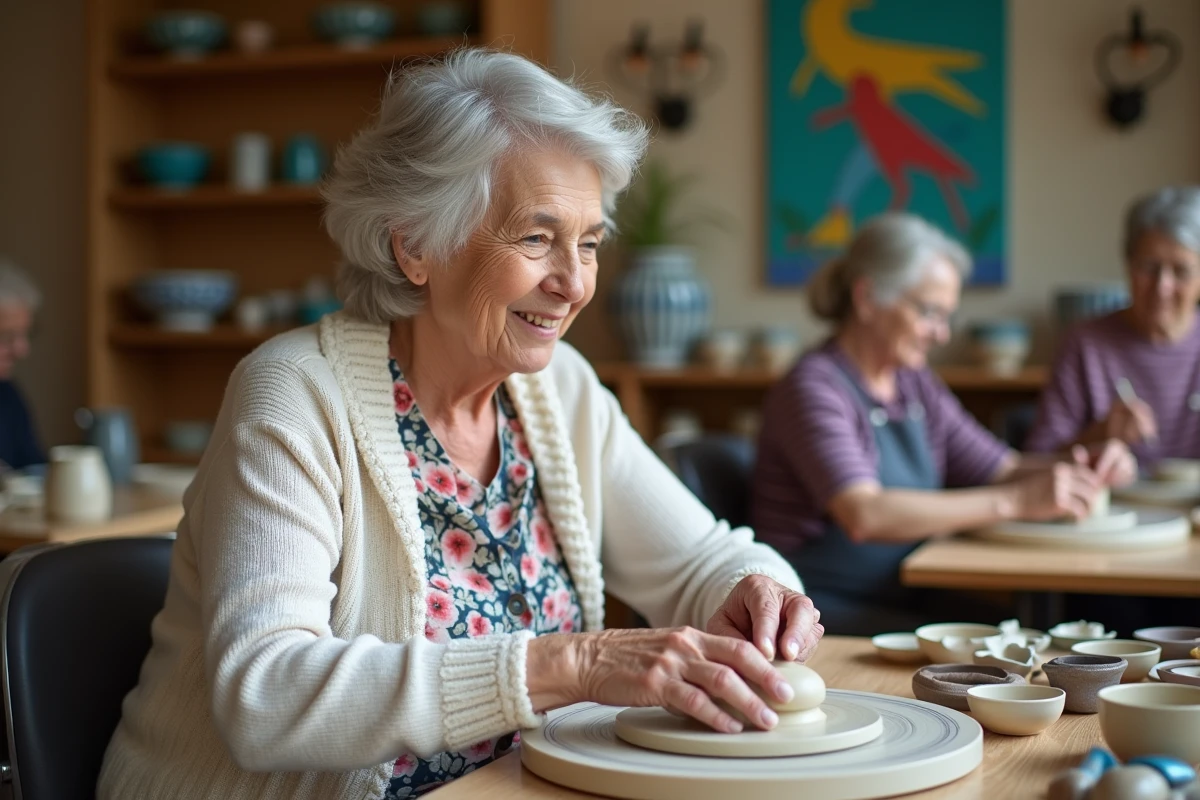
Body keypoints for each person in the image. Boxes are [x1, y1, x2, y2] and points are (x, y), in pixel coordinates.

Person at [98, 50, 822, 800]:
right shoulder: (295, 394)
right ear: (417, 245)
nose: (573, 284)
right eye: (537, 239)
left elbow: (698, 561)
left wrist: (759, 591)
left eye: (590, 243)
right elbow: (266, 695)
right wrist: (570, 666)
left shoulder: (561, 391)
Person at [751, 212, 1134, 636]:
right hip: (818, 613)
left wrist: (1082, 464)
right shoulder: (813, 387)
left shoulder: (914, 384)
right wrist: (1017, 501)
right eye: (930, 312)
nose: (943, 334)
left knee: (1025, 635)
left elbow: (1001, 467)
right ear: (866, 298)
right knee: (1009, 646)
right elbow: (865, 513)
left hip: (899, 589)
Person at [1026, 186, 1200, 467]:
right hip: (1112, 507)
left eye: (1181, 271)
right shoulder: (1085, 344)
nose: (1162, 287)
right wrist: (1100, 435)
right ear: (1128, 264)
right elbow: (1037, 460)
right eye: (1149, 267)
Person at [0, 260, 44, 471]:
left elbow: (34, 470)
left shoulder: (8, 396)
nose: (21, 350)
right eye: (6, 336)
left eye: (25, 335)